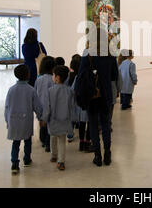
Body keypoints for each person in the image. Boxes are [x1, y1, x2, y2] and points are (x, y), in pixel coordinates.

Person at [78, 27, 119, 167]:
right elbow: (114, 75)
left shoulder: (87, 55)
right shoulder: (111, 55)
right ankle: (107, 154)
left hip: (91, 95)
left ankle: (97, 156)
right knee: (106, 124)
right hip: (106, 94)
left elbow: (81, 75)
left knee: (93, 126)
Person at [4, 65, 42, 175]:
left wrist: (7, 120)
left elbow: (7, 106)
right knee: (27, 140)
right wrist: (40, 117)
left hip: (14, 120)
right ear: (28, 75)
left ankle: (14, 163)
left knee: (16, 142)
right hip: (26, 121)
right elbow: (37, 106)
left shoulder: (11, 90)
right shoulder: (31, 90)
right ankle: (27, 159)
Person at [41, 66, 75, 171]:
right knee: (62, 140)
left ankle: (54, 155)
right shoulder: (69, 91)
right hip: (65, 119)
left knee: (53, 137)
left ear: (57, 78)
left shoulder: (50, 91)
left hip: (53, 120)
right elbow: (72, 106)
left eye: (53, 75)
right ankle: (61, 161)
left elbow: (47, 108)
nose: (53, 77)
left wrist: (44, 119)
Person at [69, 57, 94, 153]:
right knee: (90, 124)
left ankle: (81, 143)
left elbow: (72, 90)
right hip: (90, 104)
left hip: (80, 105)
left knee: (82, 124)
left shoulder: (77, 77)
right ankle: (88, 142)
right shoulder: (93, 75)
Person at [34, 56, 56, 153]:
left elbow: (35, 92)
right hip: (51, 105)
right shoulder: (53, 79)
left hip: (40, 105)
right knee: (50, 125)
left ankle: (43, 141)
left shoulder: (39, 79)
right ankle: (48, 144)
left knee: (43, 123)